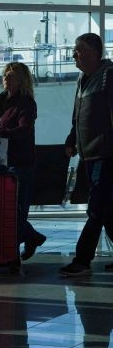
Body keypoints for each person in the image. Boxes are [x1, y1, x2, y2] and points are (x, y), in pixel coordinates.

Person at [61, 33, 113, 277]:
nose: (74, 55)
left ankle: (82, 259)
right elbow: (77, 115)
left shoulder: (109, 77)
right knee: (107, 209)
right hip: (89, 154)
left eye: (78, 50)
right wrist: (73, 139)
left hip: (105, 154)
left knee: (96, 208)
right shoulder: (83, 79)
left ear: (93, 53)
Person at [0, 62, 46, 261]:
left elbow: (24, 129)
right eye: (5, 75)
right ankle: (31, 237)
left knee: (14, 208)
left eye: (11, 75)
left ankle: (20, 243)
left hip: (20, 161)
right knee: (5, 207)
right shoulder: (1, 101)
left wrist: (0, 135)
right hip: (1, 160)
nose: (6, 78)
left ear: (21, 80)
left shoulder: (26, 103)